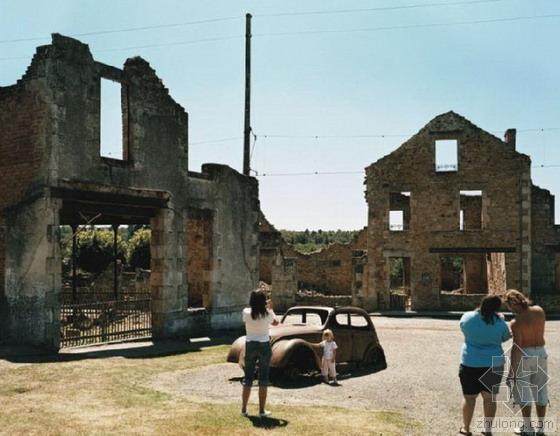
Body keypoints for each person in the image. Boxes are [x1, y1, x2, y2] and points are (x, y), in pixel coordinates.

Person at [458, 295, 511, 436]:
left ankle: (466, 428)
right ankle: (487, 430)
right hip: (494, 363)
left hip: (470, 361)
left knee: (469, 398)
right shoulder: (500, 323)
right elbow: (505, 337)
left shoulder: (467, 317)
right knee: (489, 398)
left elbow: (462, 328)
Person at [504, 289, 548, 436]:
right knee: (541, 390)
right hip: (541, 352)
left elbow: (517, 348)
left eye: (509, 306)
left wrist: (512, 371)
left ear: (512, 304)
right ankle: (541, 428)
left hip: (525, 355)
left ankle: (528, 428)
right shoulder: (539, 311)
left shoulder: (515, 322)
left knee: (524, 393)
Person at [240, 289, 278, 418]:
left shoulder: (246, 312)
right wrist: (270, 308)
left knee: (248, 378)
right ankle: (261, 411)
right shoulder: (267, 313)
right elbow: (275, 322)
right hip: (264, 344)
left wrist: (263, 306)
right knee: (263, 379)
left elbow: (251, 314)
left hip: (250, 343)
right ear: (263, 302)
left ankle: (244, 409)